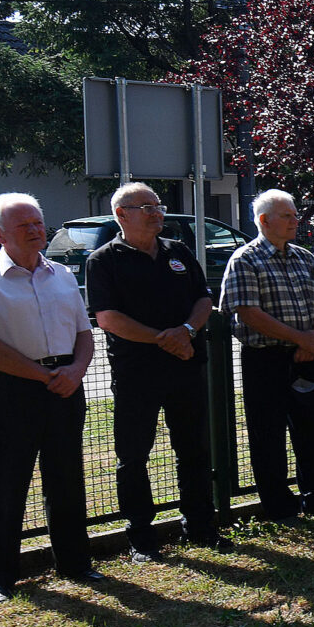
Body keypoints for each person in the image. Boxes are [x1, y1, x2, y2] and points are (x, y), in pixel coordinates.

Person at [0, 192, 99, 598]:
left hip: (65, 385)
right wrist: (42, 375)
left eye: (38, 222)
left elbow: (84, 334)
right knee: (6, 483)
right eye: (24, 225)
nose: (36, 230)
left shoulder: (63, 275)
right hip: (8, 390)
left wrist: (75, 371)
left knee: (67, 478)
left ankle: (75, 565)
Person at [85, 181, 222, 556]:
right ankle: (141, 539)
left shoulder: (177, 251)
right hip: (137, 374)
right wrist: (165, 338)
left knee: (193, 449)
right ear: (121, 215)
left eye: (157, 205)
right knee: (133, 456)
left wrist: (188, 331)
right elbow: (108, 318)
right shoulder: (103, 261)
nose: (156, 213)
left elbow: (203, 298)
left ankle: (200, 527)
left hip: (186, 367)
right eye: (146, 207)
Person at [219, 189, 314, 519]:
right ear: (264, 221)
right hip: (265, 360)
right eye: (287, 216)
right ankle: (279, 507)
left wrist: (312, 339)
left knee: (312, 431)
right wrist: (301, 338)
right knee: (268, 435)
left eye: (296, 215)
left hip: (308, 357)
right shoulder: (245, 259)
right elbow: (248, 312)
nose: (295, 221)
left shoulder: (305, 257)